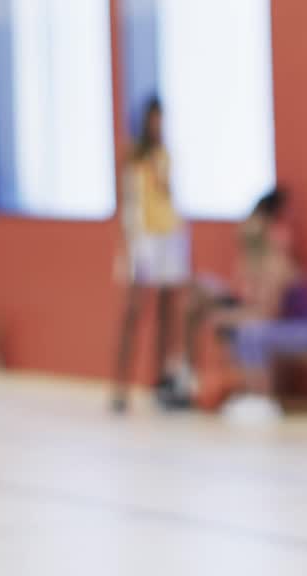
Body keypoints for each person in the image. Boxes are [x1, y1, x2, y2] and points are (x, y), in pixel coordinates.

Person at [181, 187, 307, 422]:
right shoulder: (253, 268)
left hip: (304, 329)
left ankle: (262, 397)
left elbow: (268, 313)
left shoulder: (277, 266)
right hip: (277, 323)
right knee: (237, 327)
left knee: (252, 333)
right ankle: (205, 380)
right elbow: (250, 303)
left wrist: (228, 317)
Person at [112, 97, 194, 412]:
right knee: (133, 310)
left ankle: (160, 382)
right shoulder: (133, 157)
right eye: (153, 119)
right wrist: (127, 241)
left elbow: (170, 197)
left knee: (166, 314)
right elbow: (129, 201)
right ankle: (121, 384)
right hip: (143, 238)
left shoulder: (166, 156)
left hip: (168, 235)